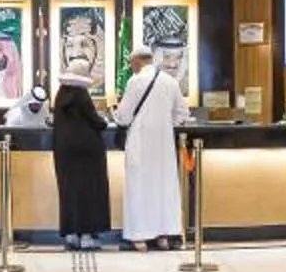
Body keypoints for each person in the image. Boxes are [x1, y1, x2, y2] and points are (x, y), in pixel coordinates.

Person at [113, 46, 185, 250]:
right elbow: (182, 113)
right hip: (164, 147)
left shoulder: (135, 81)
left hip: (140, 143)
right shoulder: (170, 82)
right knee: (162, 188)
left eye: (131, 63)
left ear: (137, 62)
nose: (130, 66)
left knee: (139, 189)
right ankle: (162, 236)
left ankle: (139, 238)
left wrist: (116, 115)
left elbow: (123, 116)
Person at [50, 72, 114, 250]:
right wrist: (105, 121)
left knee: (68, 190)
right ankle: (87, 235)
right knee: (89, 191)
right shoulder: (81, 94)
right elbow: (96, 121)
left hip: (64, 150)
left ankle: (71, 234)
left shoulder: (60, 94)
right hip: (87, 150)